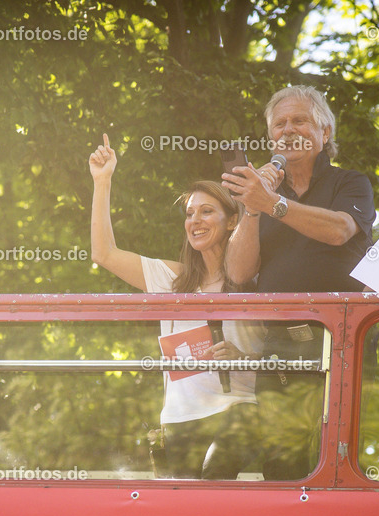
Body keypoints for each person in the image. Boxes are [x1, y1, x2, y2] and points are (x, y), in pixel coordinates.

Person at [221, 85, 377, 479]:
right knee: (282, 465)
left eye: (300, 120)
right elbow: (238, 274)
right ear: (271, 138)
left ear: (325, 133)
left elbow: (340, 230)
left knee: (341, 462)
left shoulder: (351, 182)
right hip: (278, 347)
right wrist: (253, 210)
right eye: (280, 124)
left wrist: (274, 204)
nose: (289, 130)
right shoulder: (264, 194)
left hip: (341, 341)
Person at [89, 133, 263, 479]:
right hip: (178, 418)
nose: (194, 220)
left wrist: (241, 358)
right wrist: (102, 179)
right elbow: (103, 254)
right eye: (189, 213)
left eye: (207, 211)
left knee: (212, 480)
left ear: (232, 221)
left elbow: (283, 351)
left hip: (238, 411)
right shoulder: (170, 280)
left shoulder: (252, 279)